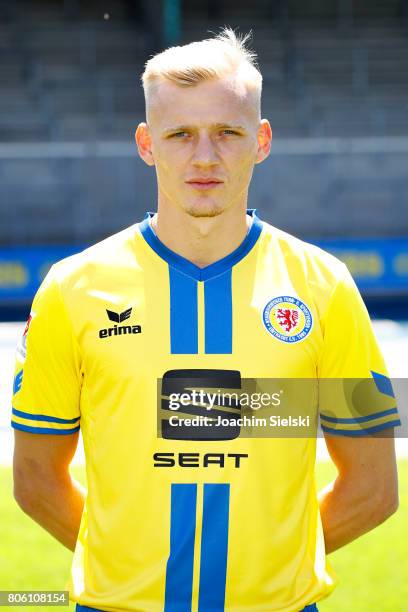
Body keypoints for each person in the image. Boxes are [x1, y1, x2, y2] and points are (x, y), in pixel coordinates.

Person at [12, 29, 400, 612]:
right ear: (147, 143)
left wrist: (273, 566)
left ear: (261, 140)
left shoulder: (324, 287)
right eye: (180, 135)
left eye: (227, 133)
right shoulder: (74, 289)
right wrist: (128, 566)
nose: (204, 157)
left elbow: (373, 486)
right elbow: (37, 479)